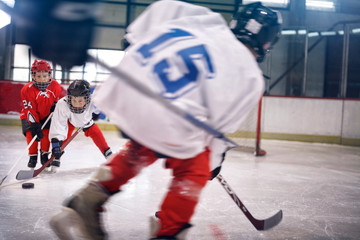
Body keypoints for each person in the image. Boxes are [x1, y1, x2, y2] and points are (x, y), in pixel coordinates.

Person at [50, 1, 282, 239]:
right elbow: (216, 131)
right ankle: (168, 232)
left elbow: (164, 7)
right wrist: (213, 163)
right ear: (267, 42)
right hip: (169, 113)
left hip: (131, 89)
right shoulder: (251, 77)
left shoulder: (205, 21)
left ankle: (86, 201)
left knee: (145, 145)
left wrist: (134, 39)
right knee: (194, 168)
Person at [48, 79, 113, 172]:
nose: (76, 104)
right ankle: (56, 156)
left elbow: (106, 101)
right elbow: (58, 125)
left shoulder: (93, 101)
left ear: (87, 98)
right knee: (64, 138)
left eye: (80, 100)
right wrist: (56, 144)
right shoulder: (62, 104)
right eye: (73, 99)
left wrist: (97, 111)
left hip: (86, 121)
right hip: (70, 121)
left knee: (96, 133)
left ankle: (108, 153)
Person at [20, 59, 62, 169]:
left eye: (44, 76)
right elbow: (30, 109)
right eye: (38, 76)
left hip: (47, 115)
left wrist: (54, 108)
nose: (42, 80)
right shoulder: (26, 89)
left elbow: (56, 102)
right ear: (33, 76)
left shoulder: (56, 86)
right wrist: (34, 123)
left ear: (49, 75)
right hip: (29, 115)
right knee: (31, 133)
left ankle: (44, 155)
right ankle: (32, 157)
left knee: (46, 133)